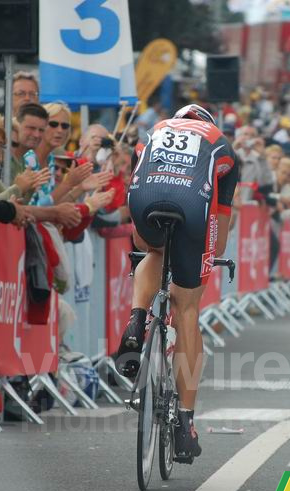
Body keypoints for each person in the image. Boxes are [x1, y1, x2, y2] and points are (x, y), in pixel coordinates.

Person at [114, 104, 240, 460]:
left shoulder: (154, 131)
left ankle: (137, 318)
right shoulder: (221, 144)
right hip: (192, 205)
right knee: (187, 310)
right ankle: (186, 423)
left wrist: (156, 245)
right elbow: (218, 242)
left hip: (146, 201)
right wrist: (202, 256)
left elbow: (138, 238)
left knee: (151, 249)